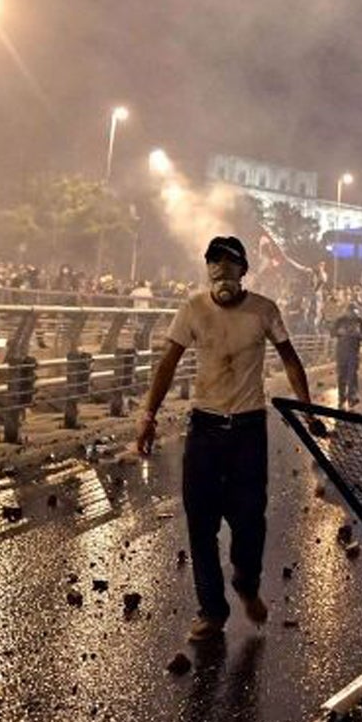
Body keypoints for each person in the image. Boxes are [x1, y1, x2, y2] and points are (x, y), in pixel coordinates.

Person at [136, 236, 314, 643]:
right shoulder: (193, 309)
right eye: (214, 264)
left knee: (250, 522)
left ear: (243, 270)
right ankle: (211, 612)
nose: (221, 272)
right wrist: (147, 416)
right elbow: (167, 363)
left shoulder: (264, 310)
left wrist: (306, 406)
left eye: (230, 264)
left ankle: (246, 585)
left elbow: (289, 358)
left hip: (249, 429)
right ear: (208, 271)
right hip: (204, 430)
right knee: (201, 525)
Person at [329, 297, 362, 407]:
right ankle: (342, 397)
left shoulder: (359, 320)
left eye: (354, 312)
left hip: (354, 352)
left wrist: (357, 335)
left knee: (352, 375)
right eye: (350, 312)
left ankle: (352, 397)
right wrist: (339, 332)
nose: (352, 315)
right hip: (341, 351)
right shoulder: (340, 320)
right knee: (342, 375)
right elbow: (332, 333)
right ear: (346, 311)